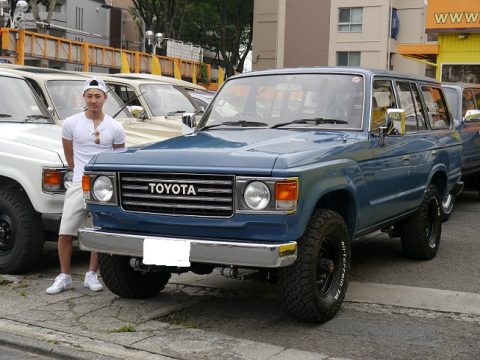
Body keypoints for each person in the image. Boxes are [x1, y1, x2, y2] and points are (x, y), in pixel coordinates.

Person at [46, 78, 126, 295]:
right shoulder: (71, 123)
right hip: (79, 183)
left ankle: (92, 273)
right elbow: (70, 156)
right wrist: (80, 175)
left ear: (105, 99)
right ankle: (64, 276)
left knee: (97, 231)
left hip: (103, 189)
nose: (93, 100)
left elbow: (117, 158)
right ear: (84, 97)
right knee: (65, 231)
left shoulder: (115, 127)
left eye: (97, 96)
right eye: (89, 96)